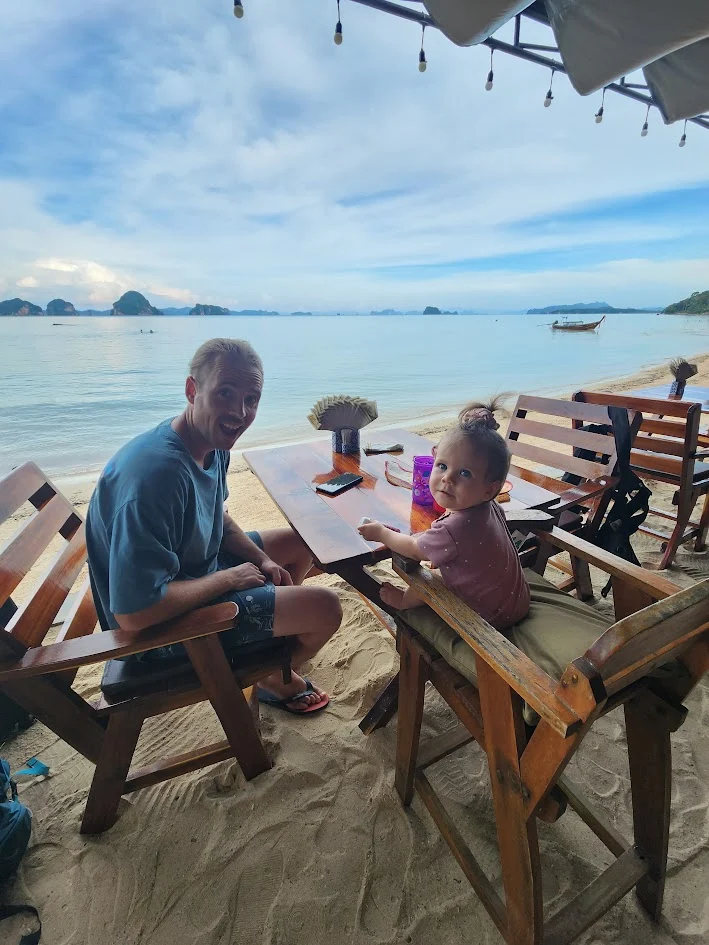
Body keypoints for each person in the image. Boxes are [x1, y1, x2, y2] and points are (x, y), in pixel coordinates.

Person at [86, 338, 342, 713]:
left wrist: (261, 560)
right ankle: (273, 676)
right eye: (225, 392)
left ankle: (270, 637)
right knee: (326, 608)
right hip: (156, 635)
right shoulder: (156, 477)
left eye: (251, 399)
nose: (239, 412)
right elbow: (133, 614)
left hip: (190, 571)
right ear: (193, 390)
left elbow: (215, 515)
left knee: (300, 544)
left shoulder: (209, 441)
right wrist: (230, 579)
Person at [358, 401, 530, 630]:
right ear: (434, 457)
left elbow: (413, 550)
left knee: (430, 580)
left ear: (489, 489)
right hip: (516, 600)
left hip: (489, 617)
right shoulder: (489, 507)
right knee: (439, 568)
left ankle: (402, 601)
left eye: (465, 473)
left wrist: (381, 533)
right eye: (442, 466)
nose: (448, 478)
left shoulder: (453, 528)